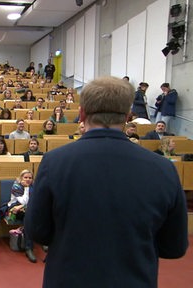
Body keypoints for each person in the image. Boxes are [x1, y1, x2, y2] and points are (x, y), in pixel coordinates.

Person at [24, 76, 188, 287]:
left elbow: (38, 231)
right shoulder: (164, 168)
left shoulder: (54, 162)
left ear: (82, 113)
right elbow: (174, 247)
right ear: (128, 116)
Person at [6, 170, 39, 263]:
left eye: (30, 178)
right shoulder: (16, 186)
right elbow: (24, 201)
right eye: (25, 177)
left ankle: (41, 241)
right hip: (14, 210)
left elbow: (36, 200)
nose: (28, 180)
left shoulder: (34, 186)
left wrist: (22, 206)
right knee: (29, 214)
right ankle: (29, 248)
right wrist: (27, 188)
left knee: (33, 213)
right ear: (21, 178)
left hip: (25, 209)